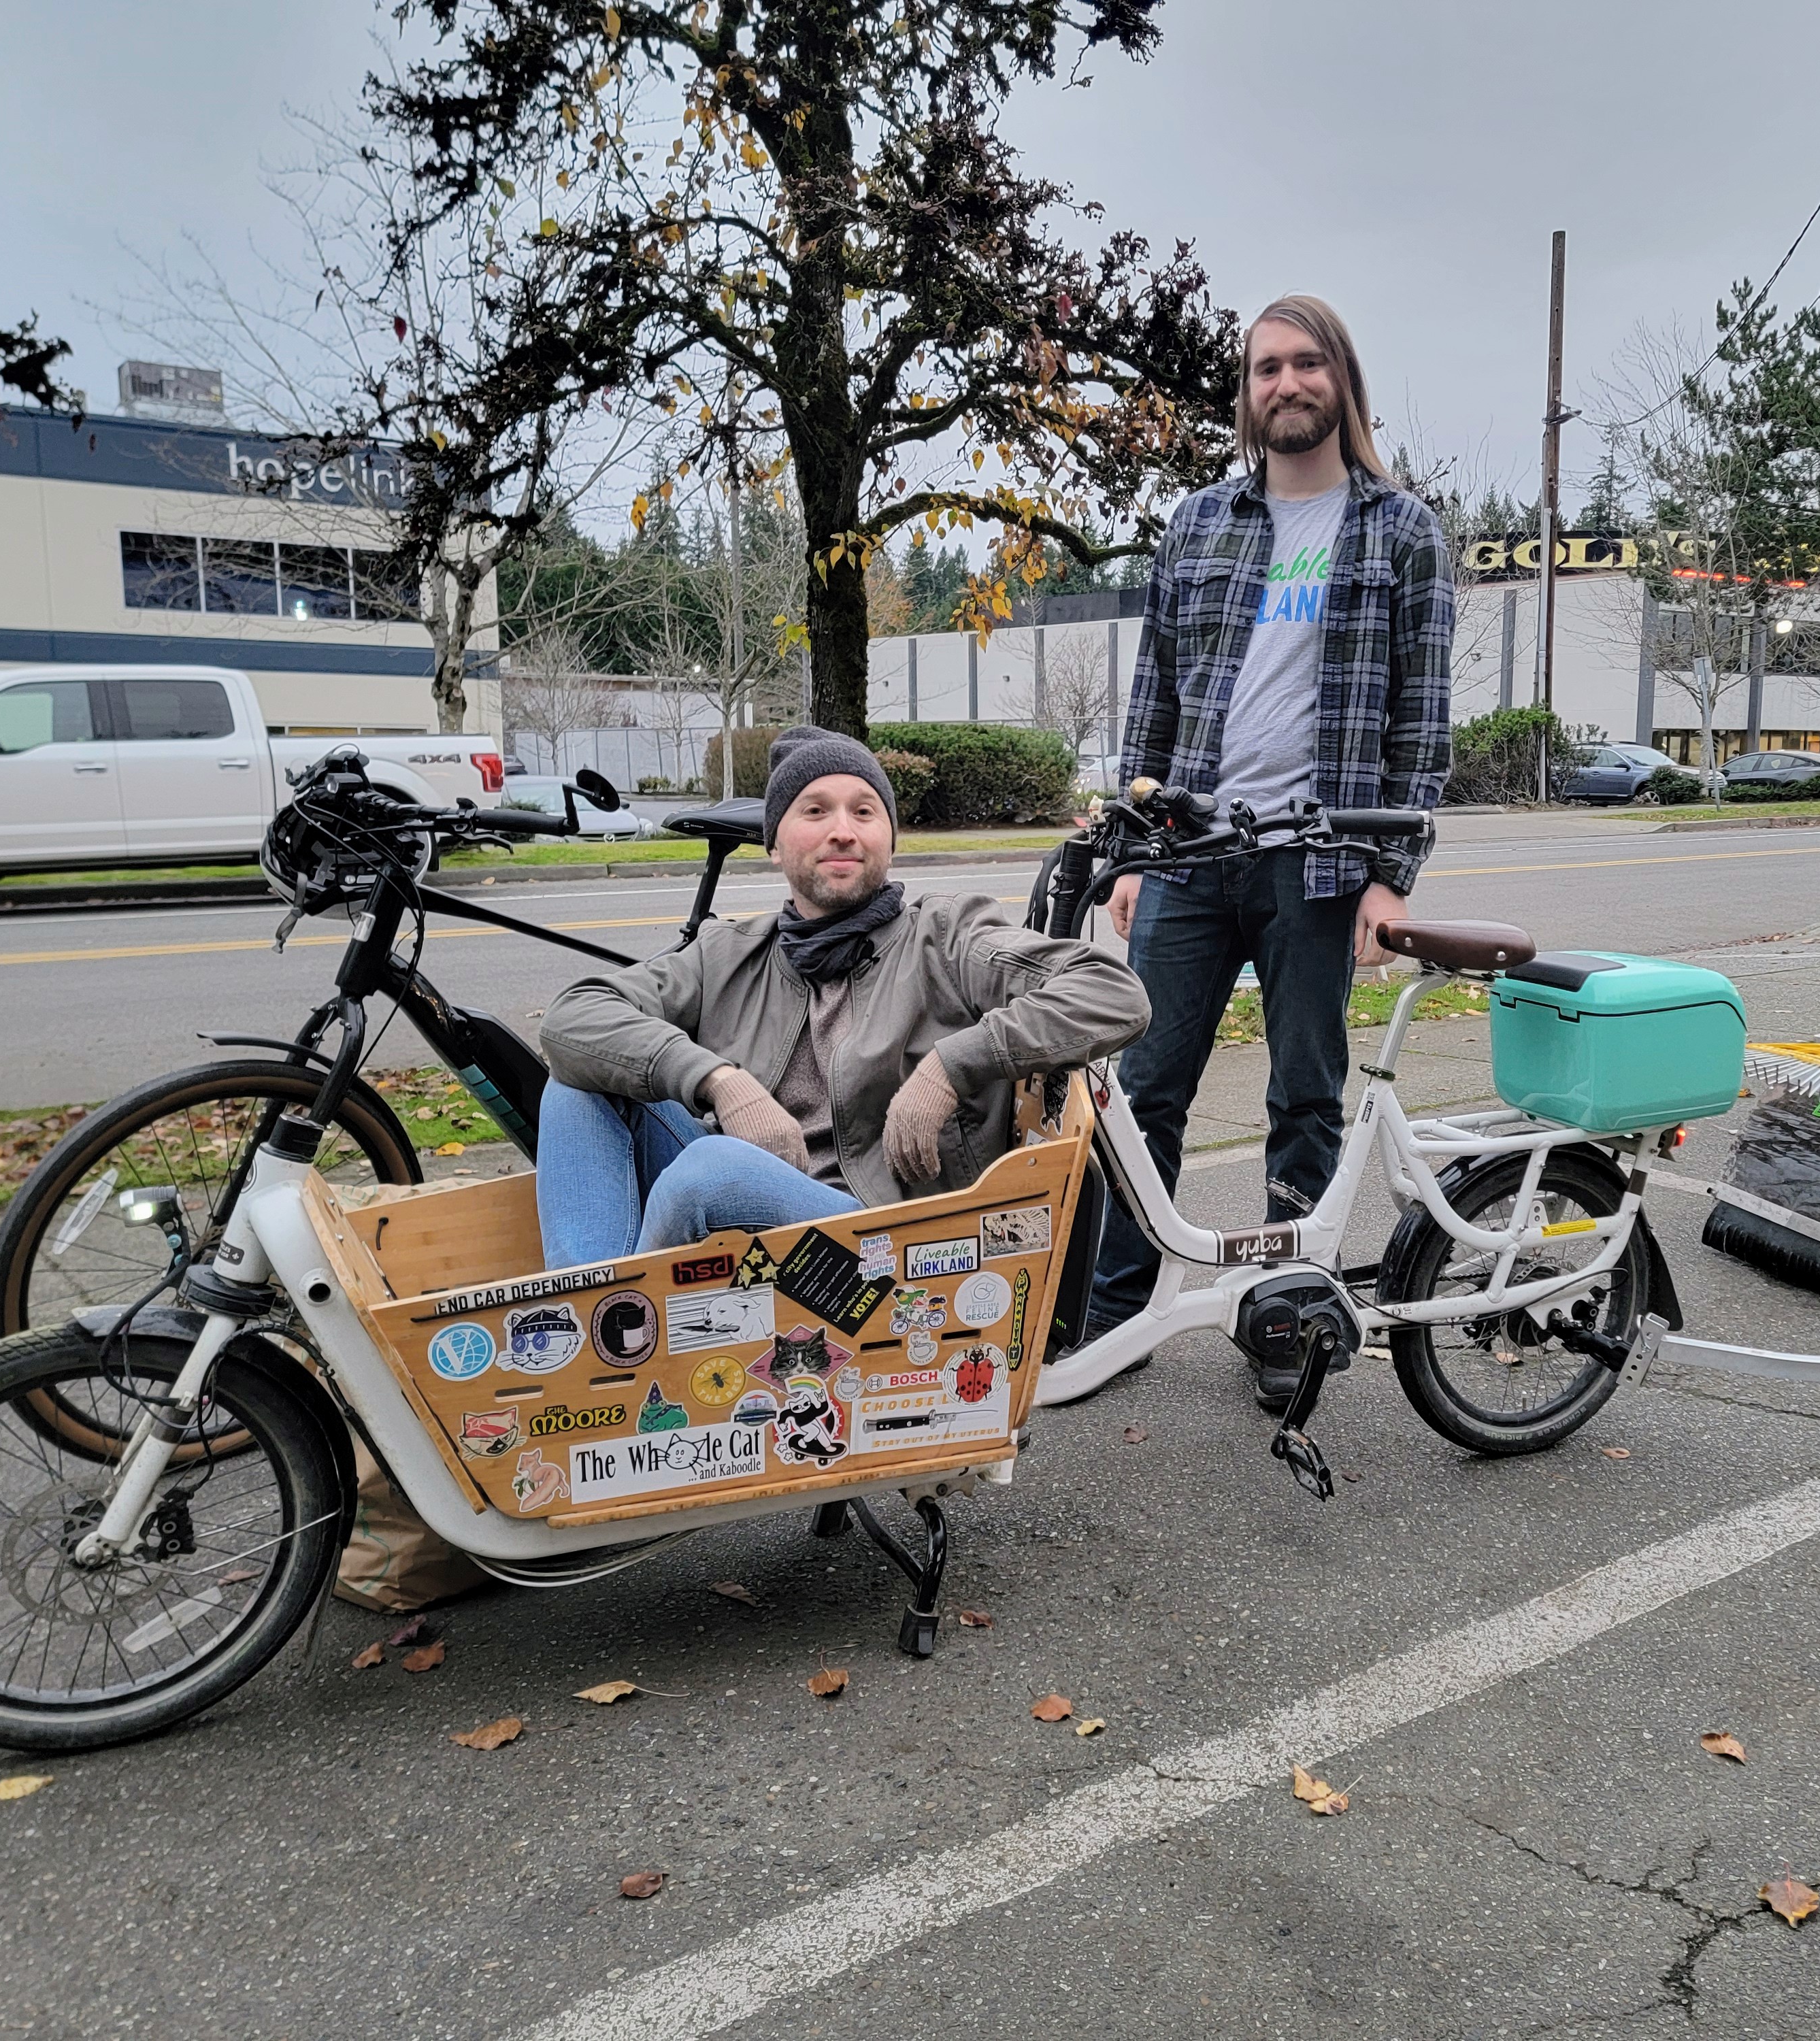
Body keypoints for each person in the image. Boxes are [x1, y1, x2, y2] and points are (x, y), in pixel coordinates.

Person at [1088, 293, 1453, 1408]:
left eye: (1306, 364)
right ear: (1247, 394)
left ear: (1341, 380)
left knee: (1305, 1092)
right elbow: (1153, 700)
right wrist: (1133, 848)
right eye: (1265, 369)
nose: (1285, 383)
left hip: (1323, 857)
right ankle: (1118, 1307)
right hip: (1193, 852)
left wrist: (1394, 877)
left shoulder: (1401, 530)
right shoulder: (1200, 523)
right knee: (1141, 1084)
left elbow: (1420, 723)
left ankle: (1284, 1311)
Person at [533, 726, 1148, 1265]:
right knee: (578, 1084)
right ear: (775, 843)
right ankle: (595, 1317)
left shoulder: (946, 938)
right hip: (753, 1211)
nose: (843, 831)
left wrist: (951, 1066)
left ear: (888, 836)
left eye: (864, 811)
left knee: (709, 1172)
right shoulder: (728, 954)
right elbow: (574, 1018)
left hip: (888, 1242)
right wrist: (719, 1079)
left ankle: (615, 1340)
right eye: (815, 811)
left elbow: (1111, 992)